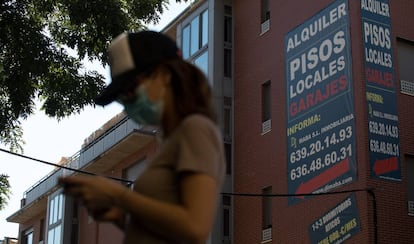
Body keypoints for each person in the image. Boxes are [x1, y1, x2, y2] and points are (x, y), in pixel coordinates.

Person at [59, 31, 225, 244]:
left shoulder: (196, 128)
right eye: (121, 99)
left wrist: (119, 196)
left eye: (130, 91)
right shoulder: (171, 141)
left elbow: (196, 228)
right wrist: (121, 218)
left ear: (165, 74)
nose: (127, 105)